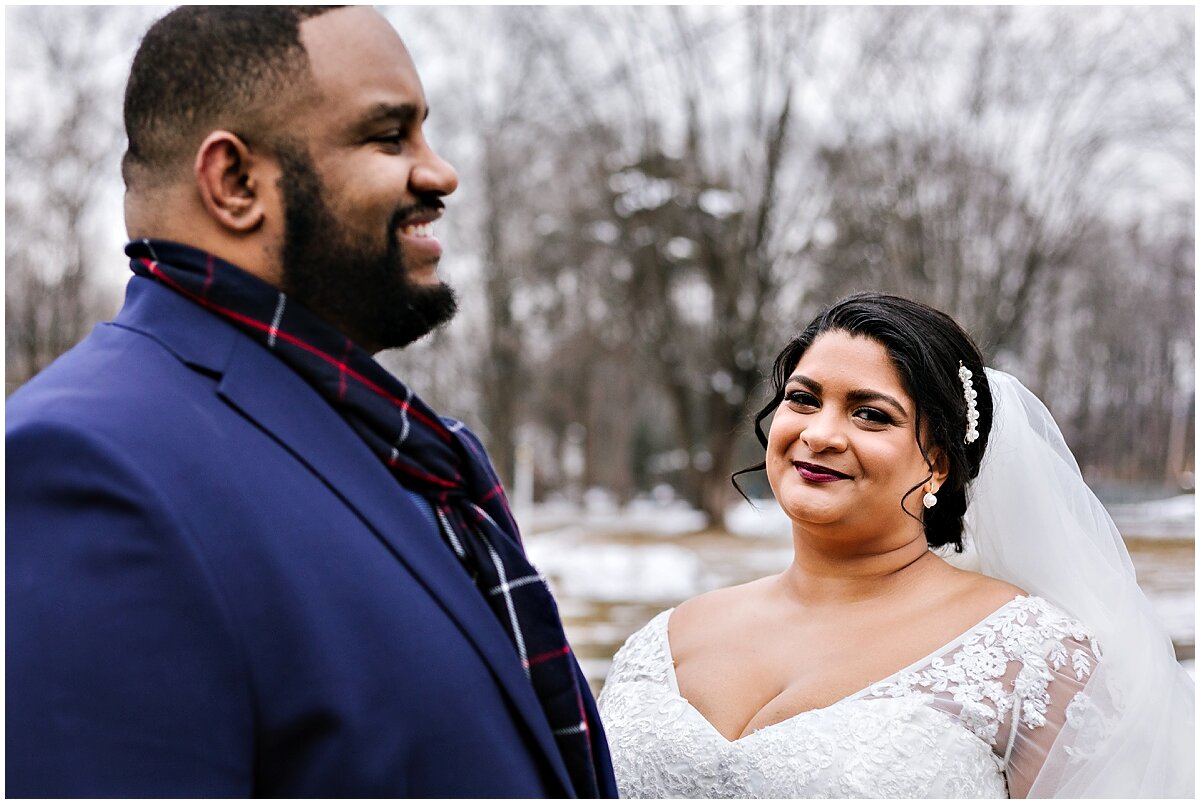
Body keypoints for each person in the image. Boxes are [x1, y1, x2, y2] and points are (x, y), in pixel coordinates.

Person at [6, 6, 616, 797]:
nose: (441, 173)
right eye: (388, 137)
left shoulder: (386, 440)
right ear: (235, 182)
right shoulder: (88, 467)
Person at [597, 292, 1193, 798]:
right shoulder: (667, 640)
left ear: (937, 463)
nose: (820, 433)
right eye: (804, 399)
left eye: (871, 415)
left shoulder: (1031, 658)